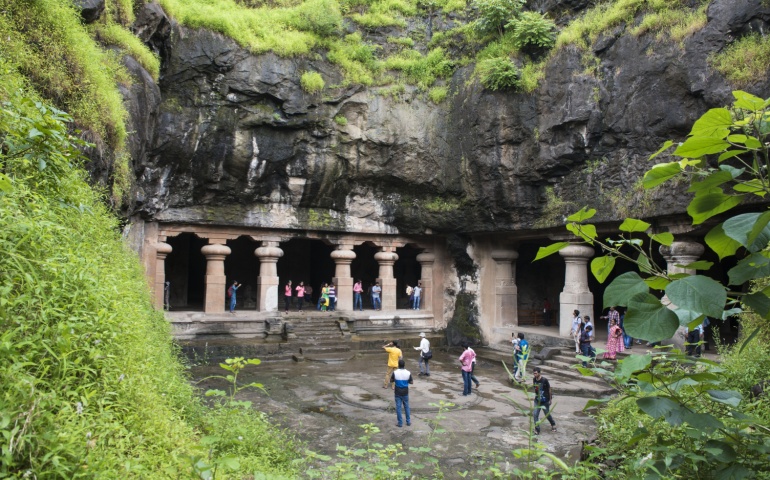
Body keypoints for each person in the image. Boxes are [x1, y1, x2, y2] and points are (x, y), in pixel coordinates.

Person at [532, 367, 557, 435]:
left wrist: (550, 399)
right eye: (534, 373)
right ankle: (537, 430)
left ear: (539, 373)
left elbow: (549, 389)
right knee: (535, 414)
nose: (534, 375)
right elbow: (535, 389)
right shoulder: (534, 379)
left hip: (545, 401)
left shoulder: (544, 380)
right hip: (537, 400)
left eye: (536, 373)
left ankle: (553, 424)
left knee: (547, 414)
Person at [390, 359, 413, 427]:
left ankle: (400, 423)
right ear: (404, 365)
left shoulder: (395, 372)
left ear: (398, 365)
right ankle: (408, 422)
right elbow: (411, 382)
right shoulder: (408, 372)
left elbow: (391, 380)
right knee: (406, 407)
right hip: (405, 392)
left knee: (398, 407)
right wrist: (406, 381)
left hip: (397, 392)